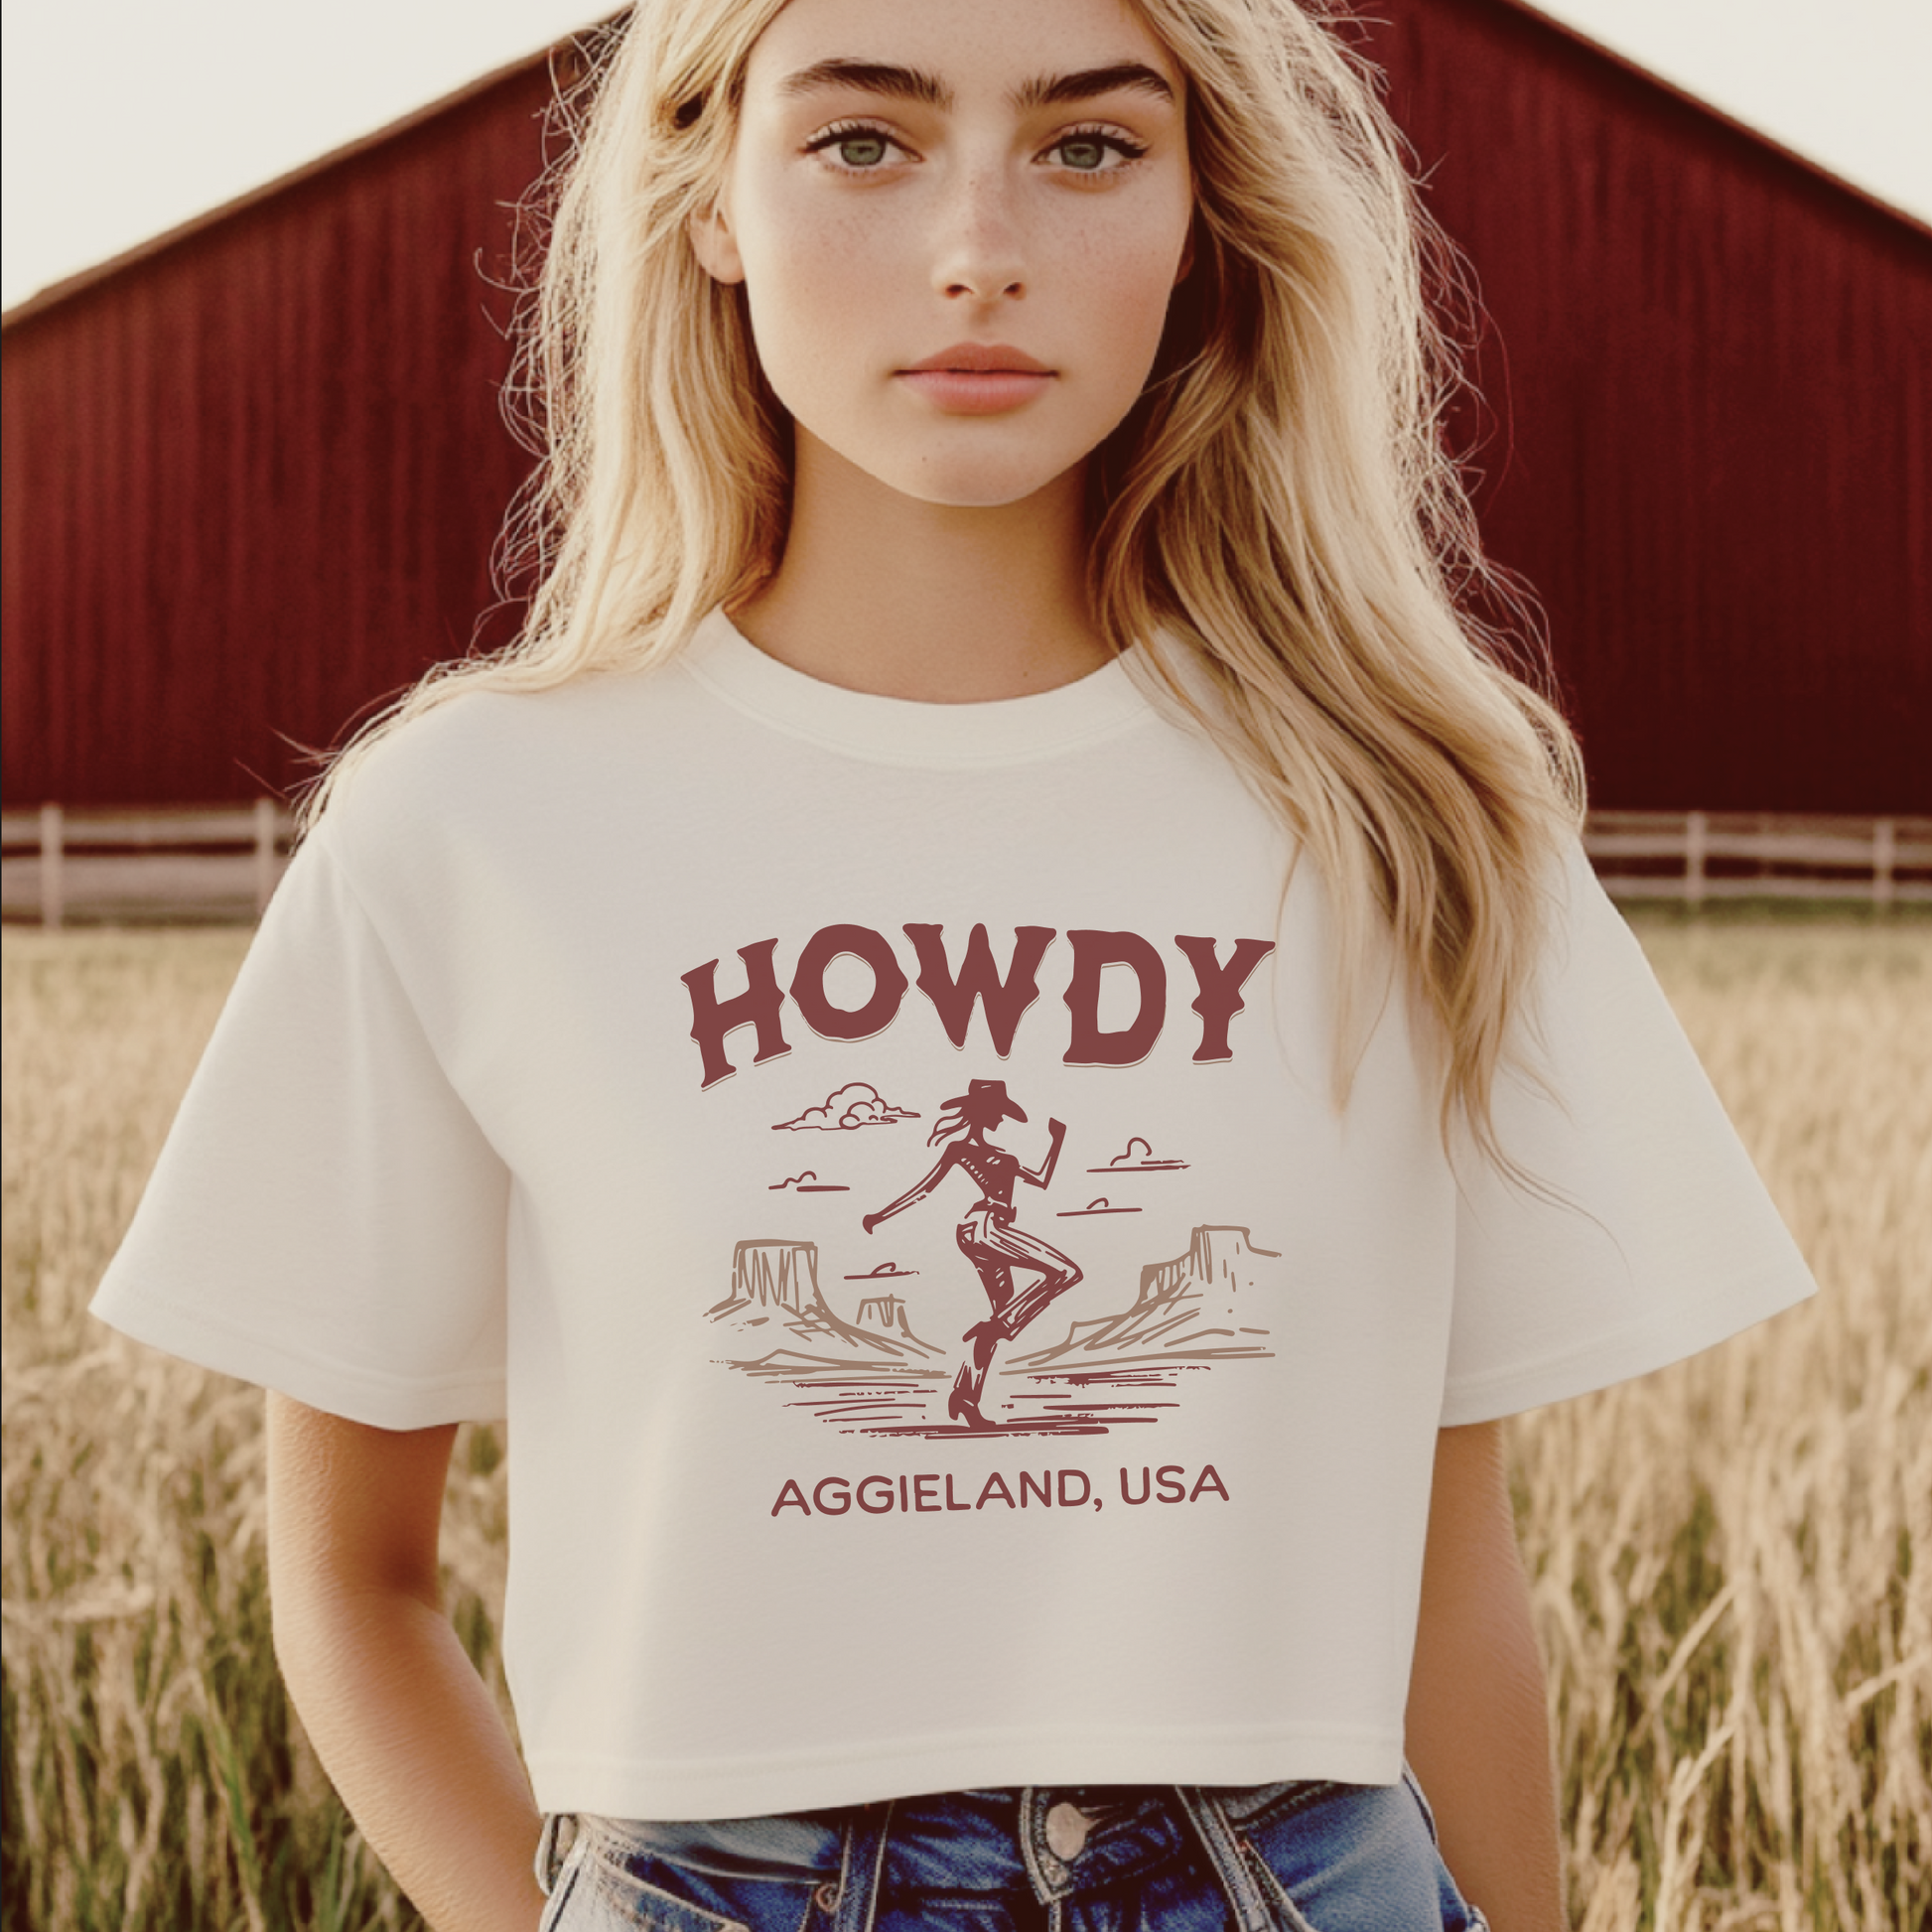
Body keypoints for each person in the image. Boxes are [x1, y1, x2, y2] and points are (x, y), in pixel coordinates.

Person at [89, 0, 1817, 1927]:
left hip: (1300, 1877)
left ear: (1201, 210)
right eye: (862, 142)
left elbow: (1437, 1549)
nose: (978, 246)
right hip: (705, 1885)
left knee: (1021, 1292)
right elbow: (349, 1577)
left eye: (1087, 145)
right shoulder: (468, 825)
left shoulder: (1411, 812)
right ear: (710, 194)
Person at [863, 1076, 1081, 1428]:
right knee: (1065, 1272)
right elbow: (925, 1189)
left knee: (1004, 1308)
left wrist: (1057, 1141)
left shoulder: (1005, 1158)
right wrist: (880, 1215)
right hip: (984, 1228)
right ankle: (996, 1328)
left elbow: (1041, 1179)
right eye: (997, 1112)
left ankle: (965, 1398)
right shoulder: (961, 1149)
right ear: (982, 1112)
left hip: (981, 1232)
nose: (1000, 1119)